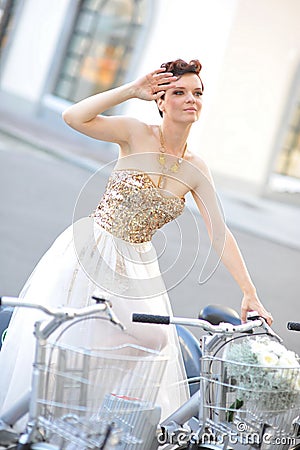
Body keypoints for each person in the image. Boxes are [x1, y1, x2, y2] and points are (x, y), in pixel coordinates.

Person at [0, 59, 273, 428]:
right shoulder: (135, 132)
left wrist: (249, 292)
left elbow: (219, 232)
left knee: (155, 342)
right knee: (82, 341)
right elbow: (73, 117)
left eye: (197, 93)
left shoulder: (196, 167)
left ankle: (96, 423)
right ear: (160, 101)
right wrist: (131, 89)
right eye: (179, 92)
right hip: (96, 249)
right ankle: (48, 421)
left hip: (139, 262)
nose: (190, 99)